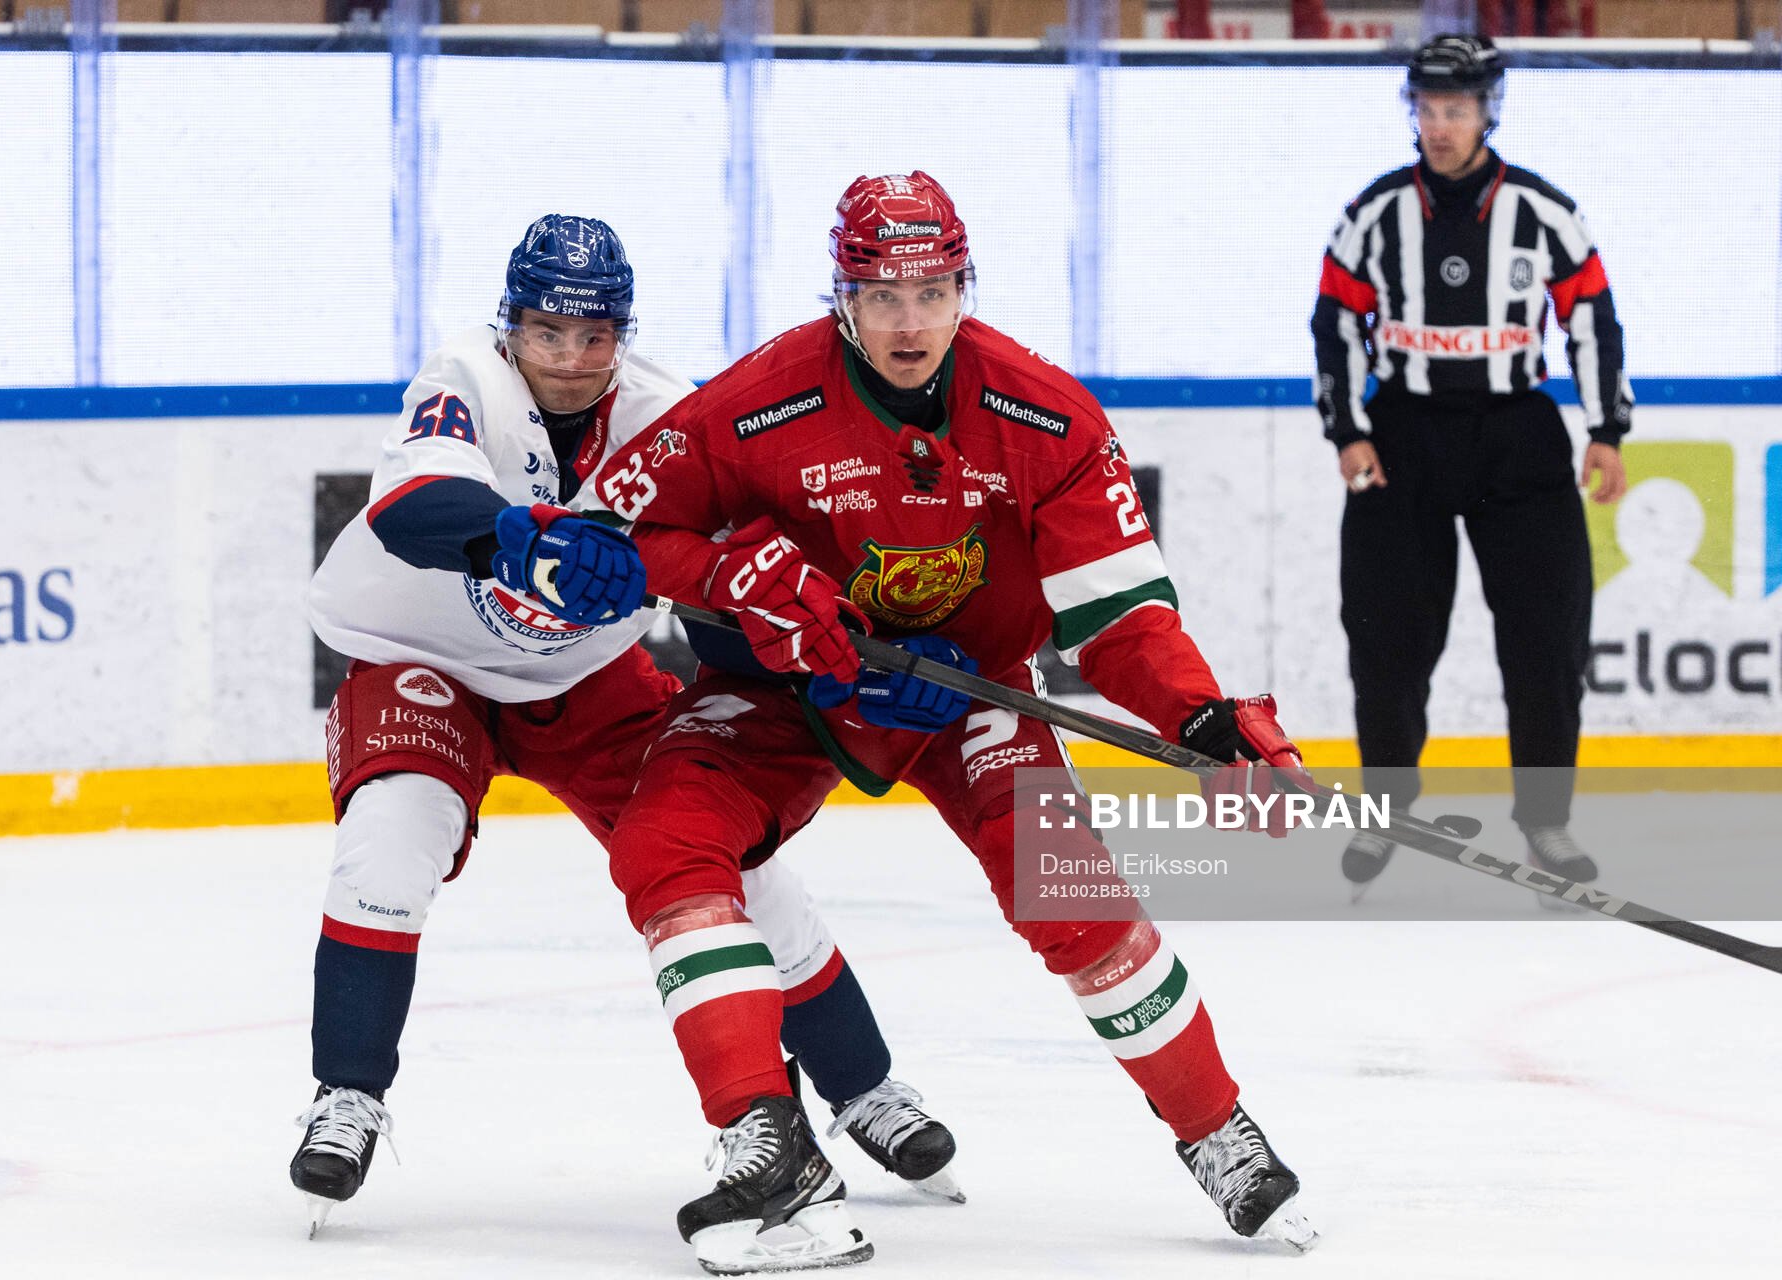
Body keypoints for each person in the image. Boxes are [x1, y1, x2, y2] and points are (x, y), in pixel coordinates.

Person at [596, 172, 1317, 1273]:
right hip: (797, 691)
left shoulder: (1043, 413)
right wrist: (736, 571)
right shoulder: (759, 399)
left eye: (933, 290)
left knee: (1072, 895)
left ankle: (1217, 1127)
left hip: (969, 692)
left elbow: (1120, 614)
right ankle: (766, 1138)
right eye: (881, 295)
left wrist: (1209, 717)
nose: (909, 320)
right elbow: (619, 530)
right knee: (663, 841)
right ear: (840, 296)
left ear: (964, 287)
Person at [293, 214, 961, 1237]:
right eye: (547, 332)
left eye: (594, 336)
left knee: (725, 864)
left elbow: (733, 595)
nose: (569, 359)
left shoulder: (671, 418)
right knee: (392, 833)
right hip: (421, 655)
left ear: (623, 333)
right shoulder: (465, 373)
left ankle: (862, 1084)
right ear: (509, 324)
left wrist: (819, 658)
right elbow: (412, 505)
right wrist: (514, 538)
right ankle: (347, 1091)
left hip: (584, 676)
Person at [1312, 33, 1633, 896]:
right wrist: (1348, 430)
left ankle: (1546, 819)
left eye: (1456, 110)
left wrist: (1605, 428)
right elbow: (1336, 322)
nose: (1440, 126)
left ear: (1489, 111)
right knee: (1385, 634)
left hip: (1517, 435)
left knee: (1545, 636)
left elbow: (1592, 320)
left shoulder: (1544, 212)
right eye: (1426, 109)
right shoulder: (1375, 214)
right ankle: (1385, 811)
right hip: (1403, 435)